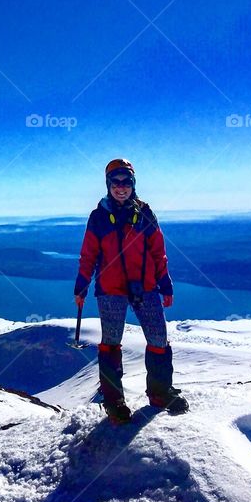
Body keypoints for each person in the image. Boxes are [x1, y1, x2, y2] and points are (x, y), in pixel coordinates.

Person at [74, 158, 189, 422]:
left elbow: (158, 251)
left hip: (145, 286)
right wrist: (81, 286)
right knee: (111, 343)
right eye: (116, 182)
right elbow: (88, 255)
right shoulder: (98, 217)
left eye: (126, 182)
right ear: (108, 184)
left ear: (133, 184)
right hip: (111, 289)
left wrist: (165, 283)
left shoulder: (145, 212)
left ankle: (160, 393)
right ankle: (114, 402)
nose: (121, 187)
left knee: (159, 338)